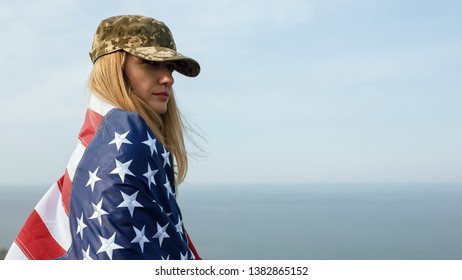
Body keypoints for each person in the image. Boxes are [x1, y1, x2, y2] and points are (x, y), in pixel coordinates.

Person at [5, 15, 201, 260]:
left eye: (169, 67)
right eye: (149, 63)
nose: (168, 78)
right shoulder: (124, 143)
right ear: (114, 67)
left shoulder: (102, 143)